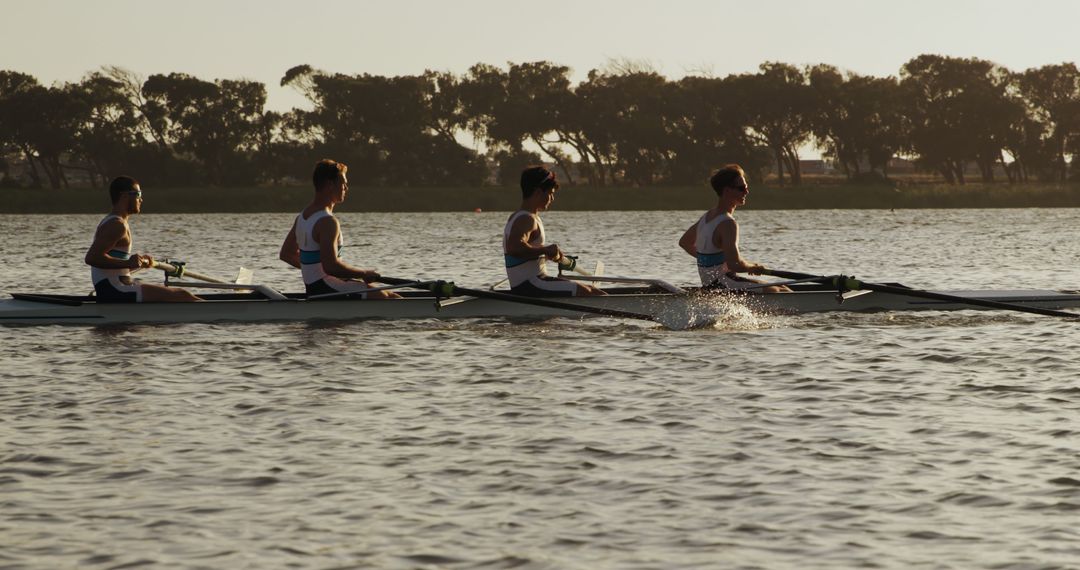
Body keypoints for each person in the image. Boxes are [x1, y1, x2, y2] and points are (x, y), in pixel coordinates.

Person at [279, 159, 400, 299]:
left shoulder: (302, 217)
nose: (346, 188)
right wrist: (363, 273)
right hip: (326, 288)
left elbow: (287, 254)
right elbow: (331, 267)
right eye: (343, 183)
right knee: (384, 297)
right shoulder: (327, 222)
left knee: (391, 295)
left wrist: (312, 270)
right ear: (331, 185)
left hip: (317, 288)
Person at [85, 176, 201, 302]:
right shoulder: (116, 225)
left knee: (180, 294)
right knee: (182, 295)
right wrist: (128, 263)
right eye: (138, 194)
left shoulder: (115, 222)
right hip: (115, 290)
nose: (141, 199)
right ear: (124, 196)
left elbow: (110, 268)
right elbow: (92, 258)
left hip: (119, 286)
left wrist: (138, 263)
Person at [678, 165, 790, 293]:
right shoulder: (728, 223)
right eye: (741, 188)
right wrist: (752, 267)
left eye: (746, 187)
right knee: (779, 291)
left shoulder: (707, 216)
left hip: (713, 284)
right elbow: (734, 264)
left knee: (782, 287)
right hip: (723, 284)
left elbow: (685, 242)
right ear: (727, 191)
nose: (746, 192)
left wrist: (709, 261)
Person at [503, 166, 604, 296]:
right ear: (538, 192)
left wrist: (548, 255)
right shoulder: (526, 219)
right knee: (588, 292)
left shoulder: (520, 216)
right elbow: (514, 248)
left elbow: (525, 254)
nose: (552, 198)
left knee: (593, 291)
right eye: (550, 193)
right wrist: (545, 250)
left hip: (533, 282)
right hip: (530, 285)